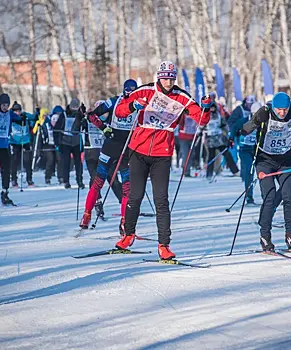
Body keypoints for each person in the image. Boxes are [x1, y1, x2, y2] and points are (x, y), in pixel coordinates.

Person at [114, 61, 211, 260]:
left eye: (172, 78)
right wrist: (133, 105)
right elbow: (120, 110)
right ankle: (128, 235)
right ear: (159, 76)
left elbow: (201, 119)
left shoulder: (181, 97)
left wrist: (207, 108)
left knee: (161, 200)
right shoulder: (145, 91)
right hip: (138, 150)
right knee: (135, 196)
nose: (168, 81)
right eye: (165, 77)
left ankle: (164, 245)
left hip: (162, 154)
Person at [241, 92, 291, 252]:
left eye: (285, 109)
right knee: (269, 197)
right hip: (265, 160)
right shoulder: (266, 112)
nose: (282, 113)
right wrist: (256, 120)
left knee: (290, 197)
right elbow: (244, 130)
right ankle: (265, 237)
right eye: (279, 110)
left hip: (285, 159)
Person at [79, 80, 137, 230]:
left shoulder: (139, 105)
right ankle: (87, 214)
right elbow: (92, 115)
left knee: (127, 187)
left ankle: (124, 222)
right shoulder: (114, 101)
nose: (130, 94)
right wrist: (103, 128)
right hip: (111, 146)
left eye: (133, 91)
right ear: (124, 90)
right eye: (128, 91)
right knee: (99, 181)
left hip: (126, 150)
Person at [230, 101, 263, 204]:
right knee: (249, 171)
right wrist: (231, 139)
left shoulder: (264, 122)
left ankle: (266, 196)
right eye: (255, 114)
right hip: (245, 150)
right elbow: (234, 128)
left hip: (258, 150)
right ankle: (249, 196)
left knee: (262, 172)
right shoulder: (243, 121)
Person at [53, 98, 85, 189]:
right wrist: (57, 143)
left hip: (76, 141)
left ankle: (79, 181)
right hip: (65, 141)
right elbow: (56, 129)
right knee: (65, 162)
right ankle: (66, 181)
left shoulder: (80, 114)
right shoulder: (63, 115)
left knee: (78, 162)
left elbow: (84, 126)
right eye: (73, 108)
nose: (74, 110)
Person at [204, 100, 239, 180]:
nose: (212, 110)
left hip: (219, 140)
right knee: (211, 157)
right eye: (211, 108)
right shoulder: (206, 116)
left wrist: (226, 133)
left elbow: (224, 125)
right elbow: (201, 125)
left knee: (227, 155)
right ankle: (209, 174)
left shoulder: (219, 115)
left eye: (213, 108)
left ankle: (235, 171)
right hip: (211, 140)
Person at [9, 101, 36, 187]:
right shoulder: (11, 117)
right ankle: (13, 179)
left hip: (25, 140)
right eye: (15, 111)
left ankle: (29, 179)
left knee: (27, 160)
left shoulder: (24, 115)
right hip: (15, 141)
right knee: (15, 161)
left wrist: (37, 111)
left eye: (18, 111)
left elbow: (33, 117)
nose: (17, 112)